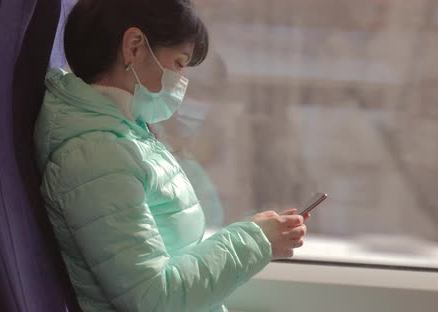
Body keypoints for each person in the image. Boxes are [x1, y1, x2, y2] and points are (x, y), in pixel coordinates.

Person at [34, 1, 309, 311]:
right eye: (179, 63)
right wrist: (256, 242)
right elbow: (155, 298)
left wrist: (257, 237)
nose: (181, 82)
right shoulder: (96, 155)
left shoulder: (127, 134)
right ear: (135, 47)